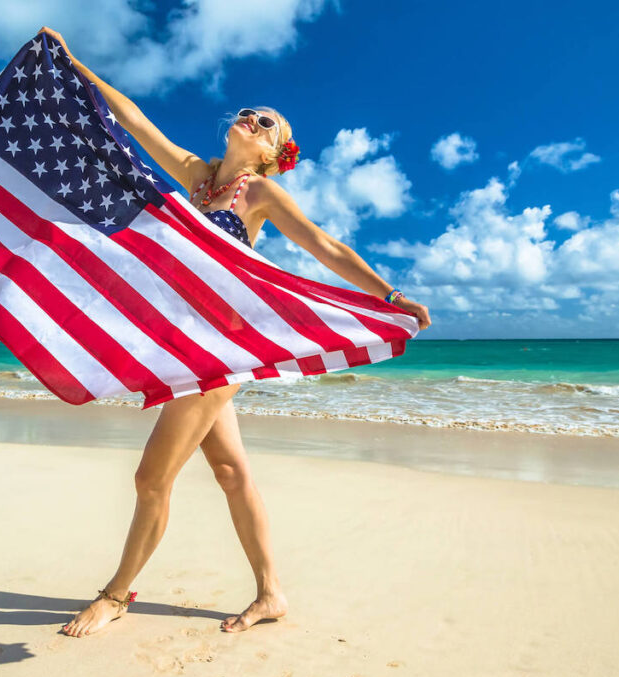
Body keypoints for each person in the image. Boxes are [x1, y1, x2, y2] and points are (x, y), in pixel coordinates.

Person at [37, 27, 432, 637]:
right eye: (247, 113)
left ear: (275, 153)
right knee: (230, 473)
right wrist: (74, 64)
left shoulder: (261, 195)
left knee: (150, 478)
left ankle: (116, 595)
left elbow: (326, 246)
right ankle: (271, 594)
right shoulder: (198, 175)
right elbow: (137, 123)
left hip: (220, 348)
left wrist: (389, 294)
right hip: (183, 345)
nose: (250, 119)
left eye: (265, 123)